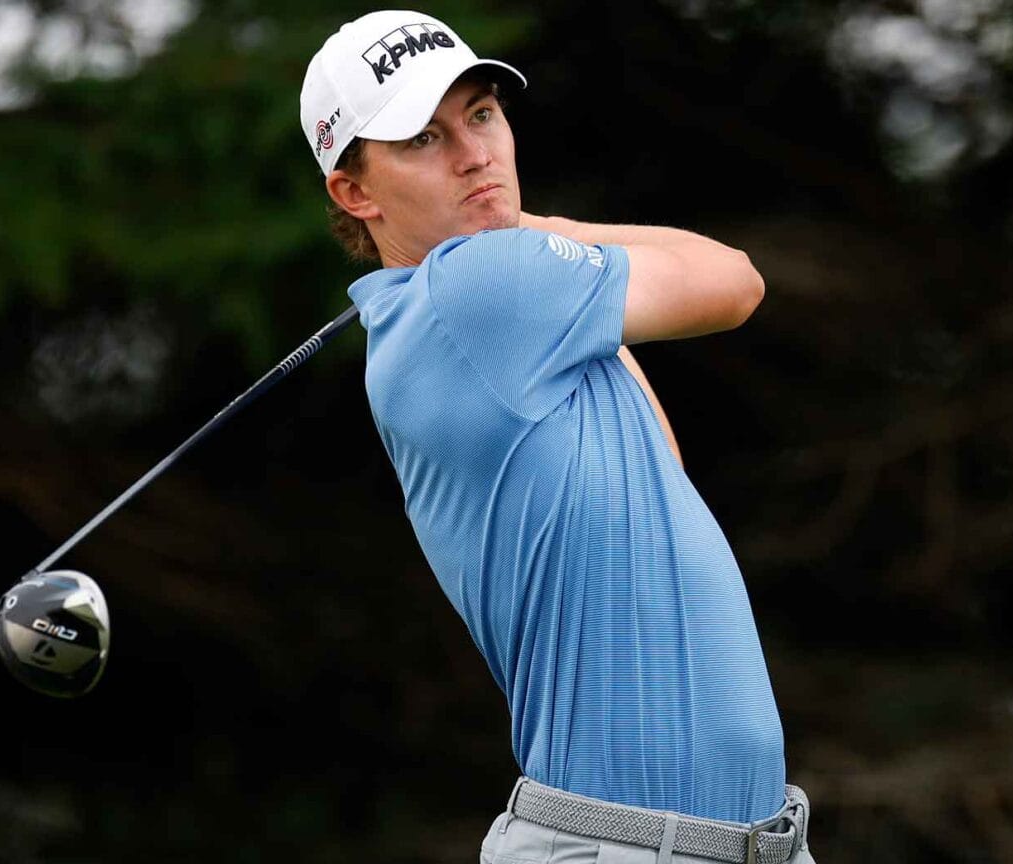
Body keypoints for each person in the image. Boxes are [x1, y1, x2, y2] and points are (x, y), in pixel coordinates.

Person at [301, 11, 814, 863]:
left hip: (735, 842)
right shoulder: (478, 288)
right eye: (424, 138)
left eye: (481, 114)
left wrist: (522, 232)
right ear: (356, 194)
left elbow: (664, 472)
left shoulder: (496, 314)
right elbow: (734, 281)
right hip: (622, 846)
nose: (475, 154)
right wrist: (544, 228)